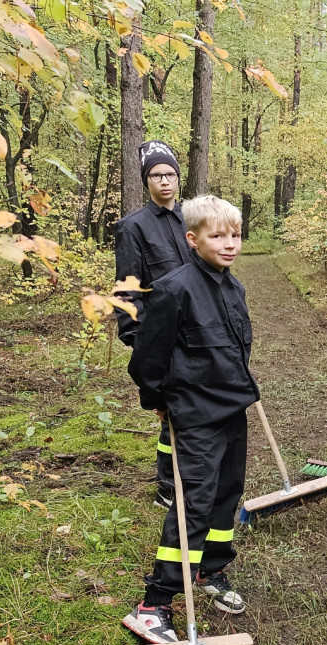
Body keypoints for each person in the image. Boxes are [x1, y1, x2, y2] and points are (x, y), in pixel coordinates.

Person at [122, 195, 258, 645]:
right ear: (192, 239)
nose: (229, 243)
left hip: (232, 409)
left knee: (226, 494)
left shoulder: (233, 287)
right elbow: (147, 358)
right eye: (218, 236)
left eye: (235, 235)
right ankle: (155, 602)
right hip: (195, 414)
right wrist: (158, 399)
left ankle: (211, 569)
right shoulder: (173, 288)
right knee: (194, 501)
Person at [114, 140, 194, 509]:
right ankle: (168, 483)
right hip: (162, 337)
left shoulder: (192, 219)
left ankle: (194, 473)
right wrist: (136, 337)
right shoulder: (133, 228)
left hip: (198, 329)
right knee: (170, 411)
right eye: (156, 175)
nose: (164, 181)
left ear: (179, 178)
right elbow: (127, 288)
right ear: (147, 181)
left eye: (170, 174)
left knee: (198, 405)